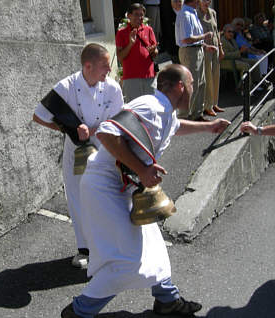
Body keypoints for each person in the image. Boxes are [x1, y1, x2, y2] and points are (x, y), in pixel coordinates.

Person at [60, 64, 230, 318]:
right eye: (192, 83)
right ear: (180, 86)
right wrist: (141, 170)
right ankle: (79, 311)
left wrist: (208, 126)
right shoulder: (150, 105)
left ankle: (168, 300)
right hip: (103, 188)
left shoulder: (164, 111)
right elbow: (107, 132)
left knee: (155, 248)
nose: (195, 88)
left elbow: (174, 126)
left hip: (123, 188)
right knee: (128, 260)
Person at [33, 43, 124, 268]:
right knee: (78, 198)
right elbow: (38, 115)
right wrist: (69, 129)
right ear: (88, 66)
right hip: (76, 152)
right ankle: (84, 249)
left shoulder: (112, 88)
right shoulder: (66, 86)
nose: (109, 71)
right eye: (104, 66)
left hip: (104, 149)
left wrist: (92, 131)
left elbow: (119, 120)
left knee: (105, 195)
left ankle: (108, 245)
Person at [175, 0, 217, 120]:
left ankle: (197, 114)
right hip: (190, 52)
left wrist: (204, 46)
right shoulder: (185, 15)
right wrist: (205, 36)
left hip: (196, 50)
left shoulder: (192, 13)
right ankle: (183, 116)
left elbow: (192, 38)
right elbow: (186, 39)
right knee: (191, 84)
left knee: (201, 83)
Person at [116, 3, 158, 103]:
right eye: (136, 14)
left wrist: (153, 51)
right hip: (131, 78)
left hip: (149, 77)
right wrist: (131, 44)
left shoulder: (149, 30)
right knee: (135, 110)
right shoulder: (121, 33)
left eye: (141, 14)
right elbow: (120, 56)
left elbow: (155, 53)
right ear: (129, 16)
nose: (139, 17)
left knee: (151, 106)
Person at [198, 0, 225, 117]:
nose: (206, 2)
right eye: (204, 0)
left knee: (216, 75)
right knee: (208, 76)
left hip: (215, 46)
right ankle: (207, 106)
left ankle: (214, 103)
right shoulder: (196, 14)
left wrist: (221, 47)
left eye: (208, 0)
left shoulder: (213, 12)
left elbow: (217, 31)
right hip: (205, 48)